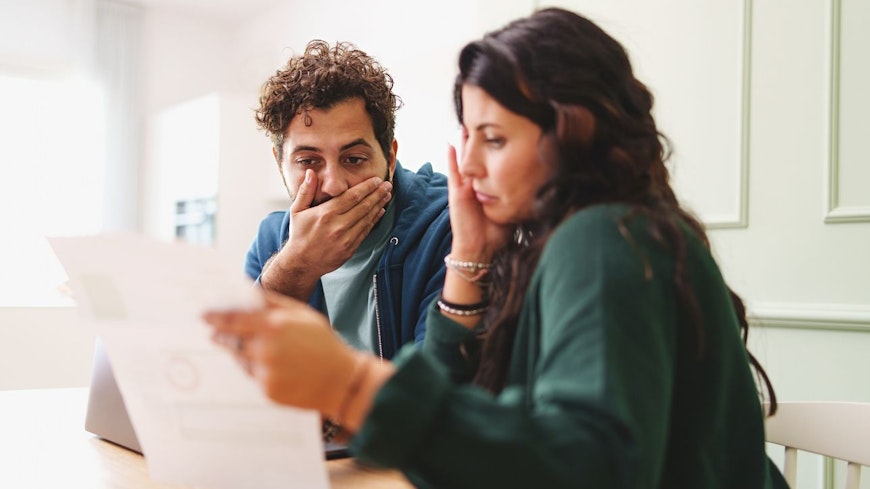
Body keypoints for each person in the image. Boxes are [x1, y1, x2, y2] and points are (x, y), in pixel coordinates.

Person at [206, 8, 788, 488]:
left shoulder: (603, 239)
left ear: (572, 133)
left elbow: (592, 467)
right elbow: (466, 439)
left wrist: (351, 386)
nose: (469, 164)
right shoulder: (581, 238)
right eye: (469, 138)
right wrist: (468, 264)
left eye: (495, 139)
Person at [245, 40, 452, 361]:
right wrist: (295, 266)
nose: (333, 185)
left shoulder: (445, 227)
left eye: (353, 159)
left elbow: (438, 381)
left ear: (390, 157)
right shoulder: (272, 240)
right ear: (279, 163)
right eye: (308, 161)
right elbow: (236, 368)